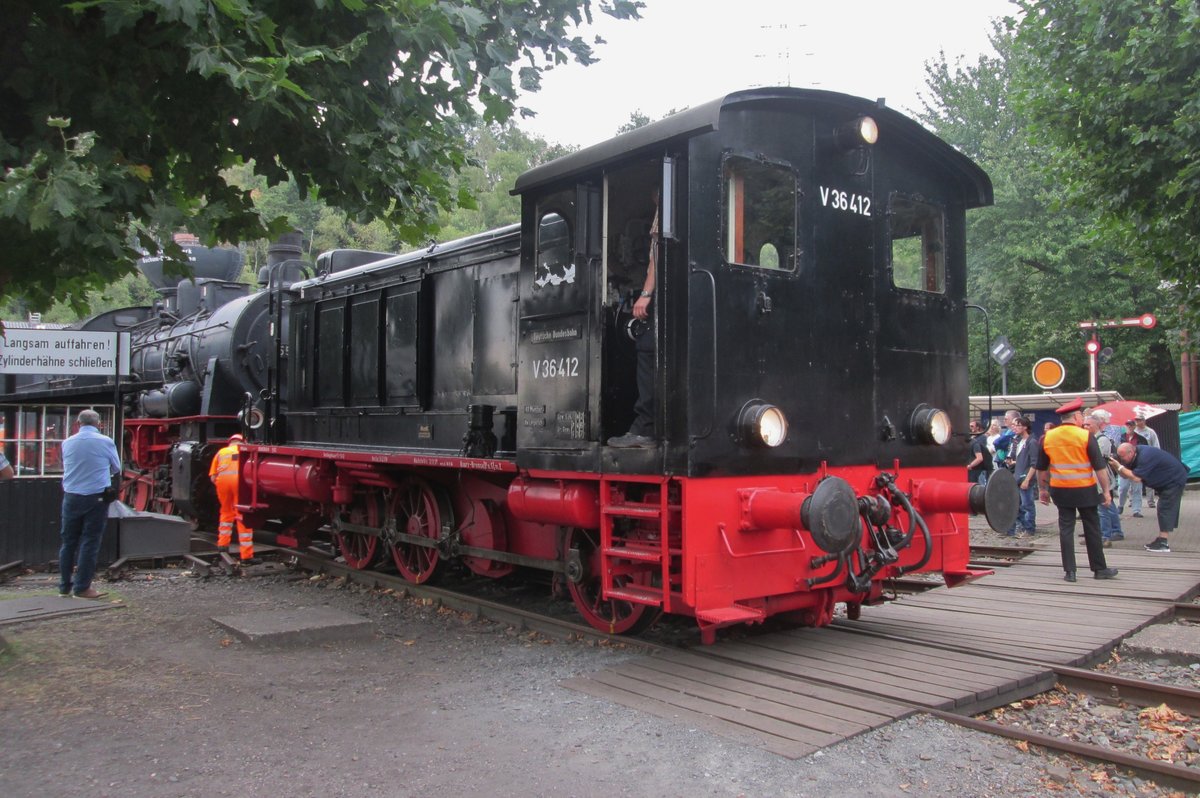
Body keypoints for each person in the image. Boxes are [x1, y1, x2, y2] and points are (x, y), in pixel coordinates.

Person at [1036, 397, 1117, 582]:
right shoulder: (1084, 436)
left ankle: (1070, 572)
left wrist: (1043, 489)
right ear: (1076, 416)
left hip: (1060, 490)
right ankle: (1099, 569)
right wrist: (1106, 491)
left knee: (1066, 528)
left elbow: (1041, 467)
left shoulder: (1047, 437)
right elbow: (1099, 467)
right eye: (1081, 415)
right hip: (1085, 490)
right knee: (1092, 528)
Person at [607, 189, 659, 449]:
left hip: (663, 297)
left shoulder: (665, 213)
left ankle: (645, 427)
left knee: (646, 349)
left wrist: (645, 295)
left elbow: (656, 259)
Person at [58, 409, 121, 599]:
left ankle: (64, 587)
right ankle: (82, 587)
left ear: (78, 423)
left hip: (71, 496)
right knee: (90, 541)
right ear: (98, 424)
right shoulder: (106, 442)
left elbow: (65, 463)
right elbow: (116, 467)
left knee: (68, 542)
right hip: (96, 497)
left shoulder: (67, 443)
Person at [1114, 441, 1189, 553]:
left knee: (1165, 508)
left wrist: (1118, 466)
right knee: (1164, 508)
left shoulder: (1145, 456)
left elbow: (1136, 478)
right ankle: (1161, 539)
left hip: (1174, 480)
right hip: (1166, 480)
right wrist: (1116, 466)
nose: (1121, 459)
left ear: (1131, 452)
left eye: (1122, 456)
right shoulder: (1134, 455)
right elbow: (1125, 476)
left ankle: (1163, 543)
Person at [209, 433, 256, 563]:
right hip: (240, 483)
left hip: (222, 483)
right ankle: (246, 556)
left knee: (225, 513)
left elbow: (213, 477)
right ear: (243, 442)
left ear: (230, 442)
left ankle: (223, 546)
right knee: (242, 515)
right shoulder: (246, 451)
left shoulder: (221, 452)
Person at [1084, 411, 1124, 545]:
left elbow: (1096, 459)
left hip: (1100, 477)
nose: (1085, 427)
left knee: (1103, 506)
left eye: (1088, 425)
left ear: (1097, 425)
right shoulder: (1090, 439)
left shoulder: (1102, 440)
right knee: (1106, 505)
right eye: (1084, 425)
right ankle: (1112, 531)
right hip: (1092, 476)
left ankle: (1106, 535)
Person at [1007, 416, 1039, 537]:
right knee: (1018, 504)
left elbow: (1034, 463)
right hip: (1018, 476)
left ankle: (1029, 528)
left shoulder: (1032, 442)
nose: (1014, 428)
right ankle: (1022, 527)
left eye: (1018, 425)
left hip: (1025, 478)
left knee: (1027, 504)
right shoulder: (1020, 441)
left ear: (1025, 427)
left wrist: (1027, 479)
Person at [1119, 419, 1148, 516]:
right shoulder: (1120, 438)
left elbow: (1144, 452)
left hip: (1136, 467)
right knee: (1123, 488)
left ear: (1135, 426)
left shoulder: (1141, 439)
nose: (1129, 427)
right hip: (1124, 467)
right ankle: (1120, 505)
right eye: (1128, 425)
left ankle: (1136, 510)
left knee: (1137, 489)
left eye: (1131, 425)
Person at [1133, 416, 1161, 508]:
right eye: (1136, 420)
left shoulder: (1150, 432)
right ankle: (1133, 501)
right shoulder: (1133, 431)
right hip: (1136, 459)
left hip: (1148, 458)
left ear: (1144, 421)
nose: (1137, 422)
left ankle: (1151, 501)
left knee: (1149, 480)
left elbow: (1156, 445)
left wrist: (1155, 457)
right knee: (1135, 480)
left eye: (1139, 420)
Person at [967, 420, 993, 485]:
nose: (970, 428)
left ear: (977, 427)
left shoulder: (981, 438)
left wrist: (971, 465)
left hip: (980, 467)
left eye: (972, 426)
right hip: (972, 467)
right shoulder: (971, 438)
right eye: (969, 426)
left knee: (980, 485)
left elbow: (980, 456)